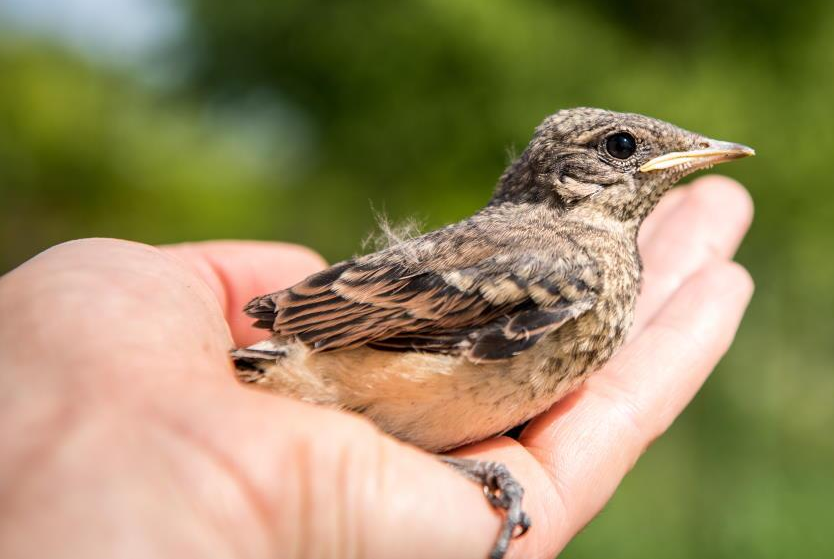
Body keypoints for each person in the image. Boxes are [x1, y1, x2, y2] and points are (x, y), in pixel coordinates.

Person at [0, 176, 753, 559]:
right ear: (565, 174)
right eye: (620, 147)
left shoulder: (590, 260)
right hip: (329, 367)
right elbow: (347, 331)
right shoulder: (564, 261)